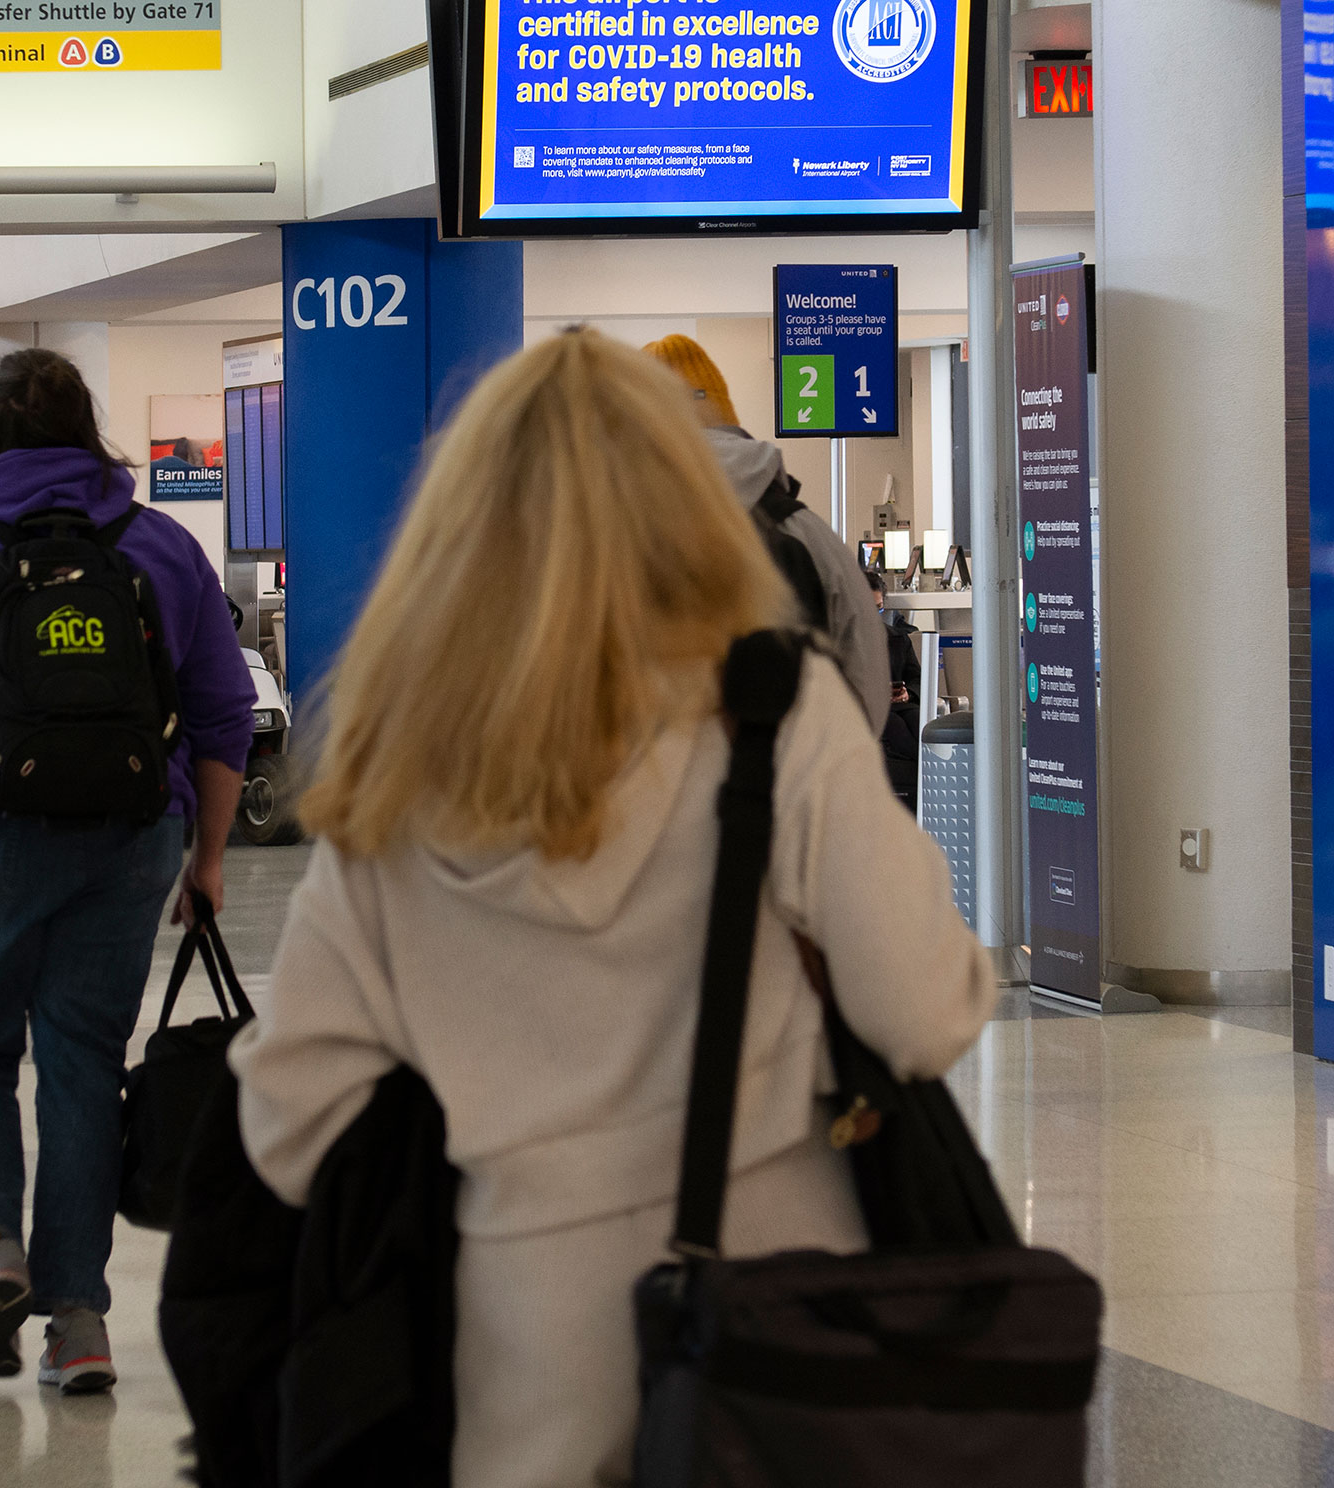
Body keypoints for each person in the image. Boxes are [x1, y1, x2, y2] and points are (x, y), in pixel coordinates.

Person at [230, 331, 992, 1487]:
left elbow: (291, 1126)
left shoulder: (400, 781)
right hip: (785, 1329)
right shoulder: (781, 715)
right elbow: (926, 1017)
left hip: (525, 1341)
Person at [0, 349, 251, 1394]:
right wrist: (206, 856)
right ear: (91, 432)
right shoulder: (159, 544)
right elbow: (219, 716)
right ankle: (79, 1325)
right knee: (82, 1059)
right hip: (132, 835)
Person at [640, 334, 890, 734]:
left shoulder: (607, 541)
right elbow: (868, 692)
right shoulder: (813, 537)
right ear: (730, 425)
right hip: (795, 788)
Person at [869, 567, 921, 808]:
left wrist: (907, 693)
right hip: (870, 708)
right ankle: (923, 770)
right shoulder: (841, 642)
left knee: (918, 720)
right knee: (896, 727)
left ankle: (923, 772)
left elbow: (915, 677)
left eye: (878, 607)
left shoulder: (898, 639)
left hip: (901, 705)